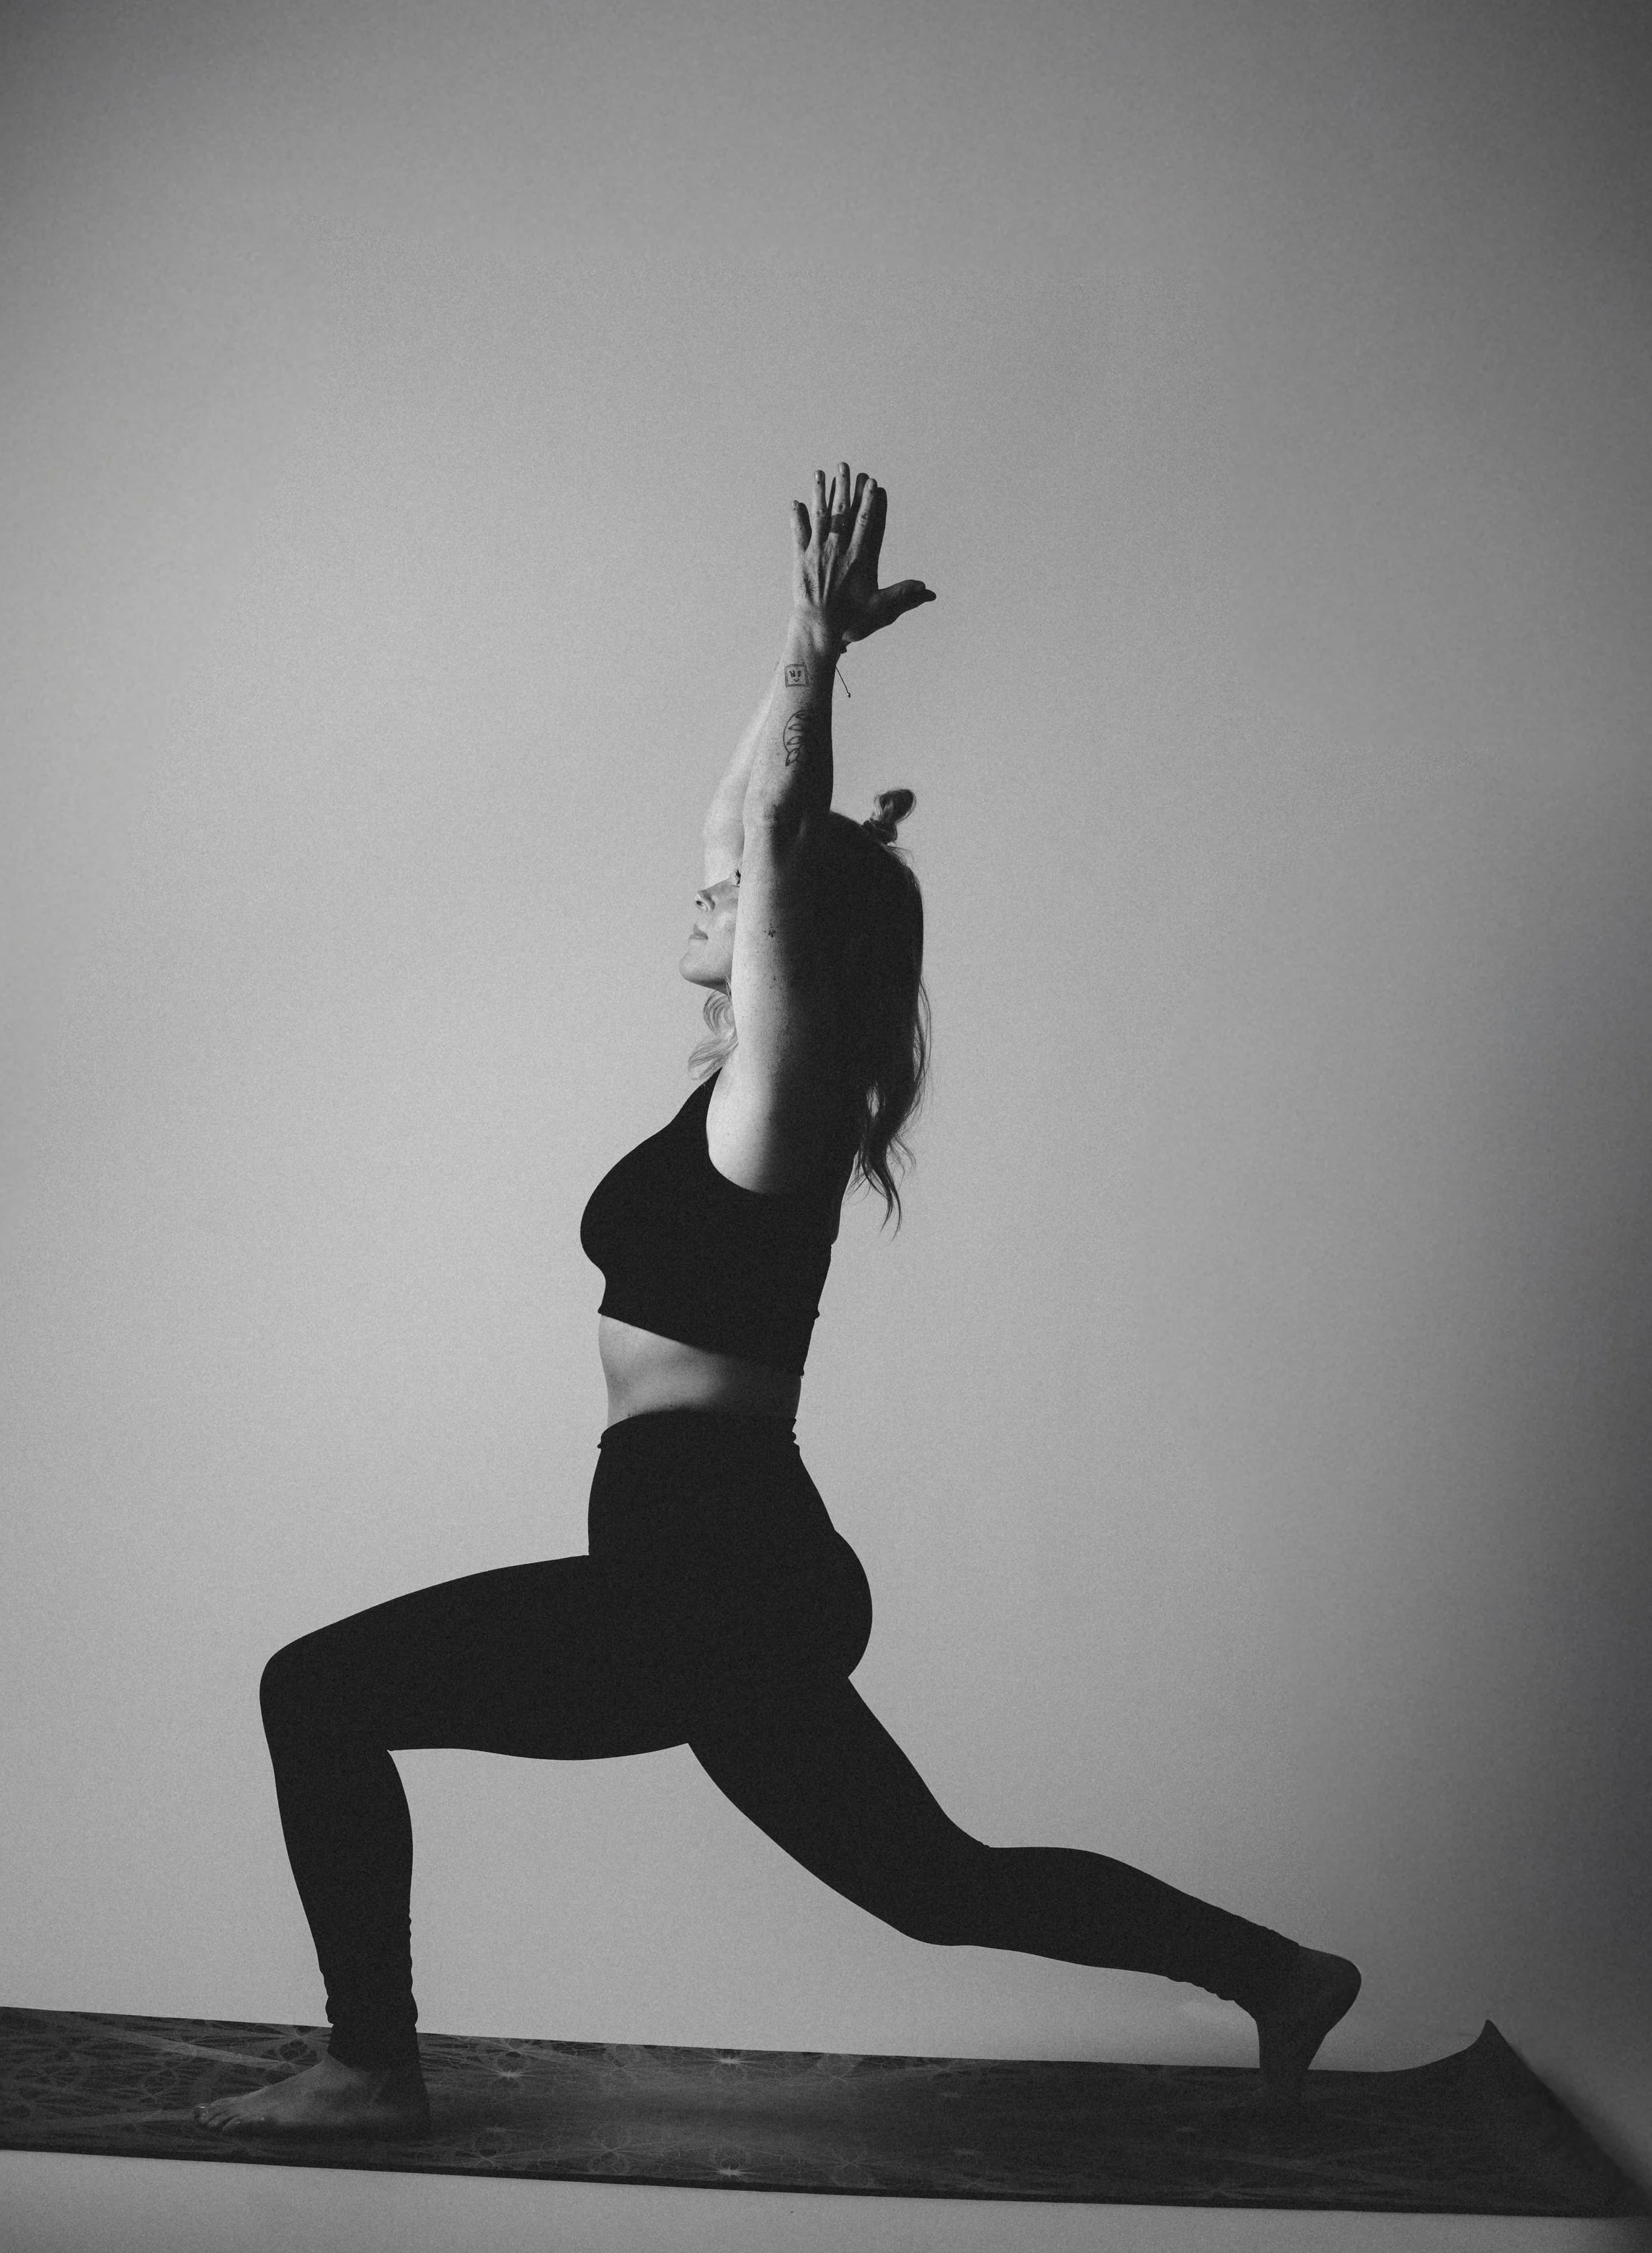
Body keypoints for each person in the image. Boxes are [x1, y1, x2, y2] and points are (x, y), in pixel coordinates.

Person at [196, 464, 1360, 2139]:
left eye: (739, 897)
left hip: (714, 1567)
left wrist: (825, 664)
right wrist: (792, 655)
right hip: (721, 1570)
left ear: (791, 945)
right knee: (930, 1880)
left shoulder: (779, 1110)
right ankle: (1277, 1968)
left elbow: (765, 838)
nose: (702, 885)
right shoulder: (736, 1104)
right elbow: (739, 821)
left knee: (313, 1690)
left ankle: (368, 2067)